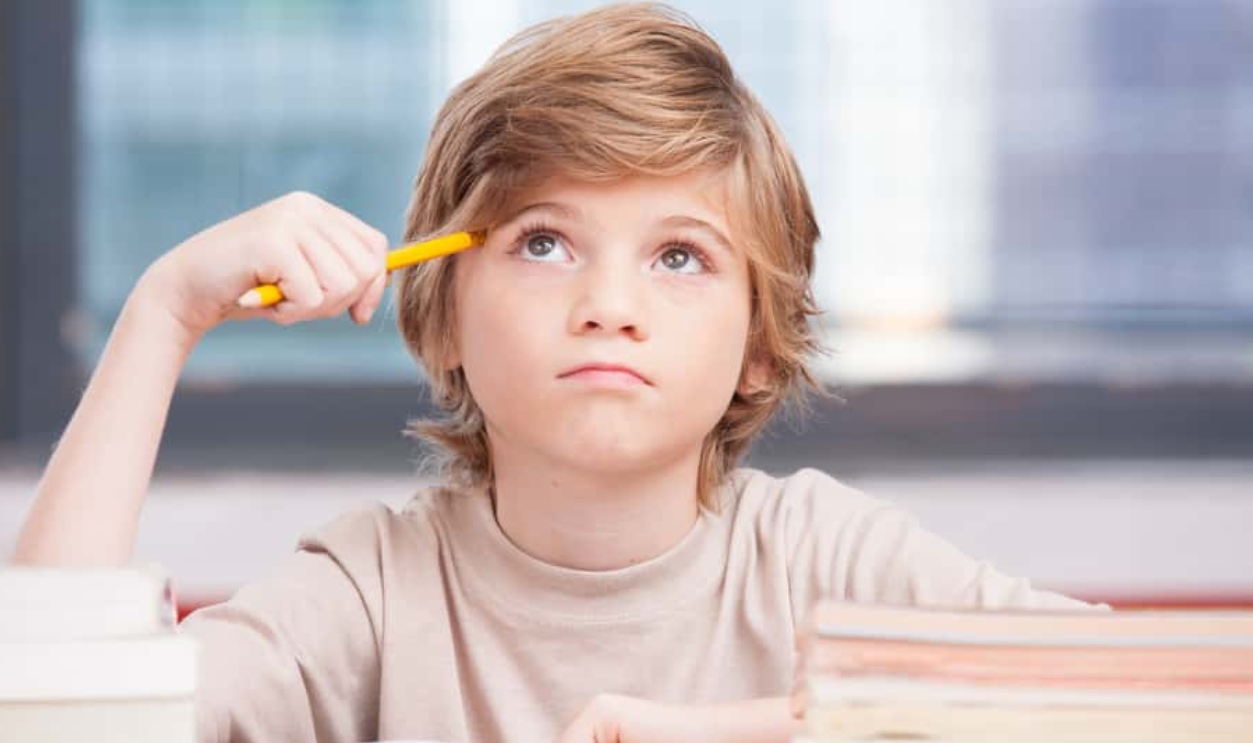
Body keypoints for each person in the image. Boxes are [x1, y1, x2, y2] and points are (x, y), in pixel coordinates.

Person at [12, 4, 1097, 742]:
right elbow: (50, 710)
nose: (609, 304)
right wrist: (164, 311)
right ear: (437, 318)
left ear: (758, 349)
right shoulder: (370, 593)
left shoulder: (827, 559)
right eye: (541, 241)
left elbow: (1161, 697)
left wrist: (772, 721)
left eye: (679, 256)